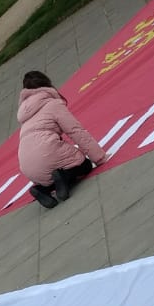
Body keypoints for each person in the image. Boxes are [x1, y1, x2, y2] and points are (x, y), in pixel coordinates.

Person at [17, 71, 108, 209]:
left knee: (49, 176)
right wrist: (99, 158)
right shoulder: (52, 104)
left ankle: (42, 190)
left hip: (27, 167)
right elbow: (75, 131)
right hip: (48, 154)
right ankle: (63, 176)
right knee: (84, 165)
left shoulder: (24, 116)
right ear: (46, 84)